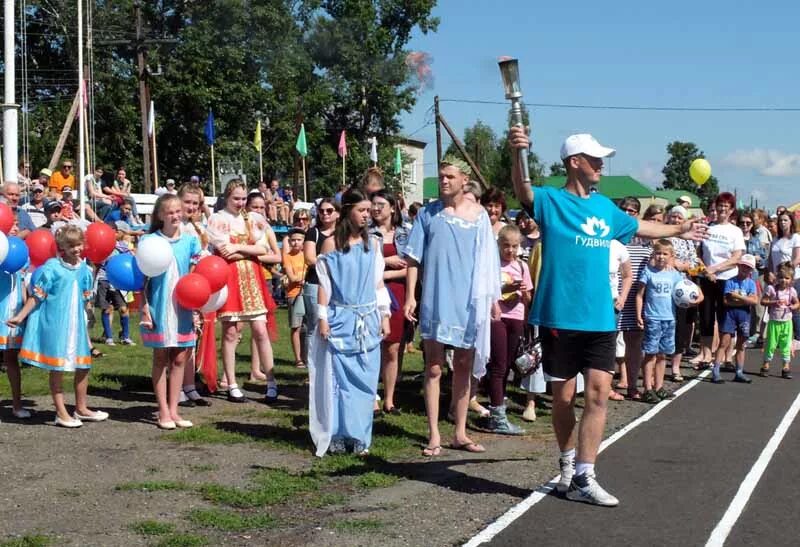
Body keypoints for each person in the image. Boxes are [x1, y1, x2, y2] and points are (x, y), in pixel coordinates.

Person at [508, 129, 707, 506]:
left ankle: (585, 474)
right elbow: (523, 189)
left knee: (599, 394)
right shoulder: (551, 201)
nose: (601, 164)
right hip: (559, 317)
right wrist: (518, 151)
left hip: (600, 317)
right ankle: (567, 463)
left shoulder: (605, 209)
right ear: (574, 162)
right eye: (594, 158)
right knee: (564, 398)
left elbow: (643, 228)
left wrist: (680, 228)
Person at [403, 156, 501, 457]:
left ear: (463, 179)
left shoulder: (479, 216)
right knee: (433, 366)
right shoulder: (429, 214)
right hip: (435, 297)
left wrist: (492, 300)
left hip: (467, 302)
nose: (443, 180)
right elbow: (413, 259)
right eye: (441, 175)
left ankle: (460, 432)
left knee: (463, 366)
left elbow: (488, 262)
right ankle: (434, 434)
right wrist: (411, 296)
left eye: (449, 176)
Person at [308, 189, 391, 456]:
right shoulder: (332, 244)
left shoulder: (373, 244)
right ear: (348, 212)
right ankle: (338, 434)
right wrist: (322, 318)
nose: (368, 215)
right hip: (341, 318)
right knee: (339, 380)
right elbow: (325, 283)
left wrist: (385, 313)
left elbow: (378, 282)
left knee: (365, 381)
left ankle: (359, 437)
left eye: (369, 210)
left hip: (367, 319)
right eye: (363, 210)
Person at [8, 226, 107, 428]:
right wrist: (20, 316)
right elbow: (37, 297)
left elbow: (85, 300)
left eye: (79, 244)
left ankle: (81, 408)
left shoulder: (84, 270)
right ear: (62, 247)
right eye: (71, 246)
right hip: (57, 324)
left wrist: (89, 316)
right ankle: (61, 412)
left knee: (84, 365)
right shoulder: (52, 268)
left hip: (76, 325)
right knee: (57, 367)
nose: (77, 249)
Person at [207, 180, 278, 403]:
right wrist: (250, 252)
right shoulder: (218, 219)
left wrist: (239, 247)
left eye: (243, 198)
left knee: (260, 330)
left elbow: (264, 248)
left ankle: (271, 381)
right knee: (230, 332)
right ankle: (232, 382)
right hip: (230, 278)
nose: (240, 203)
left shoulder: (253, 219)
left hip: (252, 279)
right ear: (227, 197)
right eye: (236, 198)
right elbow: (223, 251)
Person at [139, 194, 202, 429]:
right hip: (160, 305)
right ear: (160, 215)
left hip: (183, 307)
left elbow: (195, 275)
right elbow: (141, 280)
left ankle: (175, 409)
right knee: (160, 358)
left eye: (178, 211)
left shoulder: (190, 241)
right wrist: (145, 306)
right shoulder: (150, 241)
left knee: (180, 358)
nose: (175, 216)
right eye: (170, 212)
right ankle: (163, 410)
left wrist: (196, 304)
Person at [487, 224, 531, 434]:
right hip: (498, 317)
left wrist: (523, 292)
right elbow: (488, 293)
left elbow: (529, 297)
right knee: (498, 365)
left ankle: (498, 406)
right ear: (498, 245)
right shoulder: (492, 266)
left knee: (508, 365)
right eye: (506, 246)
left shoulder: (522, 266)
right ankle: (497, 415)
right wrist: (505, 288)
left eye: (514, 246)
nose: (510, 251)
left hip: (517, 317)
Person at [635, 240, 691, 403]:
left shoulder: (674, 274)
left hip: (669, 318)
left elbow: (682, 294)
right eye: (658, 253)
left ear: (671, 256)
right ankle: (647, 388)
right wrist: (639, 315)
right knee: (650, 354)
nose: (661, 257)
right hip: (653, 318)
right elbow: (640, 295)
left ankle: (659, 387)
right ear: (653, 254)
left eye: (665, 254)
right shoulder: (648, 272)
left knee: (662, 355)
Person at [370, 190, 410, 415]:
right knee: (373, 345)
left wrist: (384, 273)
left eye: (381, 204)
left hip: (398, 292)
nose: (376, 208)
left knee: (394, 348)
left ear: (393, 208)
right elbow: (364, 265)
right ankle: (372, 396)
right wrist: (387, 262)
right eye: (373, 204)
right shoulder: (366, 233)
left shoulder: (405, 233)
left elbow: (409, 267)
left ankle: (390, 398)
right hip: (372, 294)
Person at [698, 193, 744, 370]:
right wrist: (706, 270)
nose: (722, 209)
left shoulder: (735, 231)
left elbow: (736, 257)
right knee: (707, 317)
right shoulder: (708, 227)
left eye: (726, 206)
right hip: (707, 279)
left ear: (731, 210)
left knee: (727, 319)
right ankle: (706, 355)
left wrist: (715, 269)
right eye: (720, 205)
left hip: (727, 278)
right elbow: (698, 253)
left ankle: (726, 358)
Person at [177, 183, 212, 408]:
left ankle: (189, 385)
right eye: (187, 202)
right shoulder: (175, 226)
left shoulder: (197, 228)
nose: (191, 207)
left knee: (192, 337)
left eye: (195, 203)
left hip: (196, 287)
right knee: (176, 340)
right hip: (179, 284)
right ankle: (177, 386)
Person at [303, 198, 339, 366]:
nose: (325, 213)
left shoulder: (342, 233)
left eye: (329, 210)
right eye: (322, 210)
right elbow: (310, 259)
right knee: (314, 326)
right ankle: (312, 366)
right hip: (315, 283)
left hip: (337, 286)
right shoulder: (313, 232)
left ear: (338, 212)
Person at [667, 205, 701, 381]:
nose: (676, 220)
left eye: (680, 218)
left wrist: (693, 267)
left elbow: (694, 261)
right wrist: (681, 265)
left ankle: (675, 367)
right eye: (674, 217)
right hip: (667, 286)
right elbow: (668, 259)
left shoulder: (689, 240)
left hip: (685, 288)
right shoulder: (666, 236)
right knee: (668, 325)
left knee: (682, 326)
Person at [713, 254, 759, 384]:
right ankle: (716, 370)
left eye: (748, 268)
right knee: (724, 343)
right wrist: (744, 300)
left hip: (744, 315)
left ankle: (739, 372)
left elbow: (754, 301)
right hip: (730, 315)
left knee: (741, 345)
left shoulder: (751, 283)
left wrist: (737, 297)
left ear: (751, 270)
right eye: (743, 266)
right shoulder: (730, 281)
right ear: (738, 266)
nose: (745, 269)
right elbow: (726, 301)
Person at [0, 250, 32, 419]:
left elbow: (23, 287)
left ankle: (17, 404)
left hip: (13, 315)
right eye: (10, 224)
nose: (14, 227)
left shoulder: (20, 255)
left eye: (15, 223)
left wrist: (25, 313)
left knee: (11, 358)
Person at [761, 263, 799, 379]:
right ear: (777, 278)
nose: (784, 280)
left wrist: (794, 307)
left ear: (791, 279)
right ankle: (766, 365)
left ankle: (785, 367)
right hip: (774, 322)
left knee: (786, 345)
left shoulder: (791, 291)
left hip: (787, 322)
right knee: (771, 344)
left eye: (787, 278)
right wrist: (774, 302)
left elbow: (797, 303)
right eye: (781, 277)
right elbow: (763, 301)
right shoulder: (771, 289)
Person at [282, 227, 307, 368]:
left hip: (307, 292)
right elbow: (291, 277)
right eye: (293, 240)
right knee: (296, 326)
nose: (296, 243)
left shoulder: (306, 254)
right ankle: (298, 358)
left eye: (299, 240)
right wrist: (302, 278)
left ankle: (306, 356)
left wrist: (301, 278)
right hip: (294, 294)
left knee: (307, 327)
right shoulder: (287, 256)